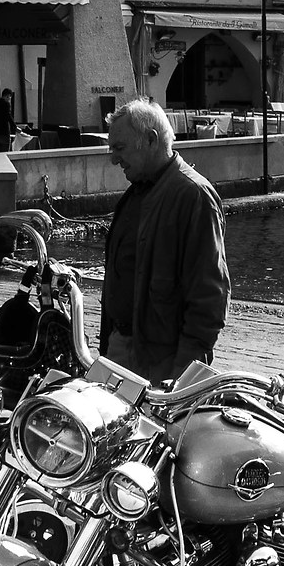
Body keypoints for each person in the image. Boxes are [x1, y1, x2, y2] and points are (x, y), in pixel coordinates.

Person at [98, 99, 228, 384]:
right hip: (124, 349)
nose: (113, 159)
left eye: (119, 148)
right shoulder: (138, 192)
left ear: (150, 139)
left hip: (163, 363)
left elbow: (210, 298)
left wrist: (183, 374)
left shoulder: (193, 196)